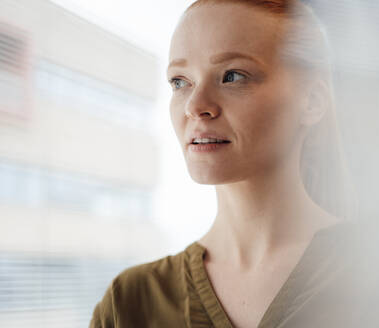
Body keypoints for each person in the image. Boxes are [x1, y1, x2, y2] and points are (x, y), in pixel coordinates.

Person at [89, 1, 356, 327]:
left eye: (232, 76)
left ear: (312, 102)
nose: (195, 105)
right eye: (179, 81)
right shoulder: (129, 303)